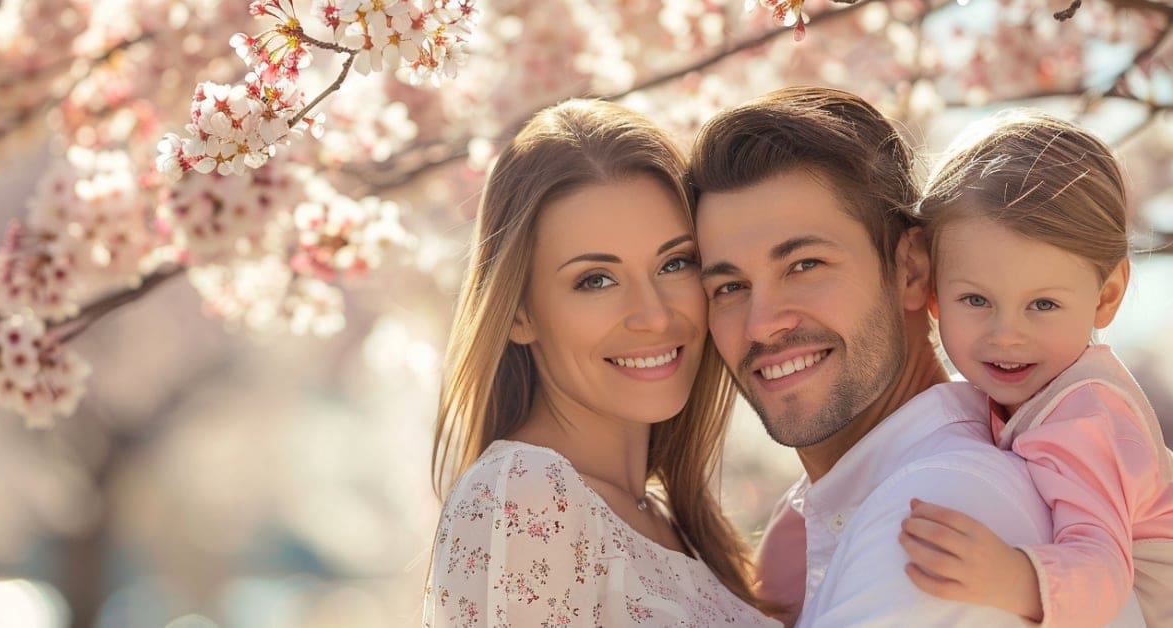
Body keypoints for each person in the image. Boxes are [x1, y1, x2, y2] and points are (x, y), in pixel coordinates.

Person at [687, 86, 1144, 626]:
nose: (763, 323)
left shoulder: (941, 507)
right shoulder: (813, 520)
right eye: (729, 287)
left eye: (805, 265)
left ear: (912, 270)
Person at [423, 99, 778, 626]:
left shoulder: (666, 520)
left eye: (674, 263)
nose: (655, 317)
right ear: (519, 313)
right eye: (596, 280)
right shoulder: (526, 495)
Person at [897, 110, 1173, 627]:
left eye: (1042, 304)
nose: (1006, 334)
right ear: (934, 293)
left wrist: (1013, 577)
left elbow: (1105, 569)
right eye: (976, 299)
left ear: (1106, 295)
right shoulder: (1020, 397)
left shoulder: (1085, 415)